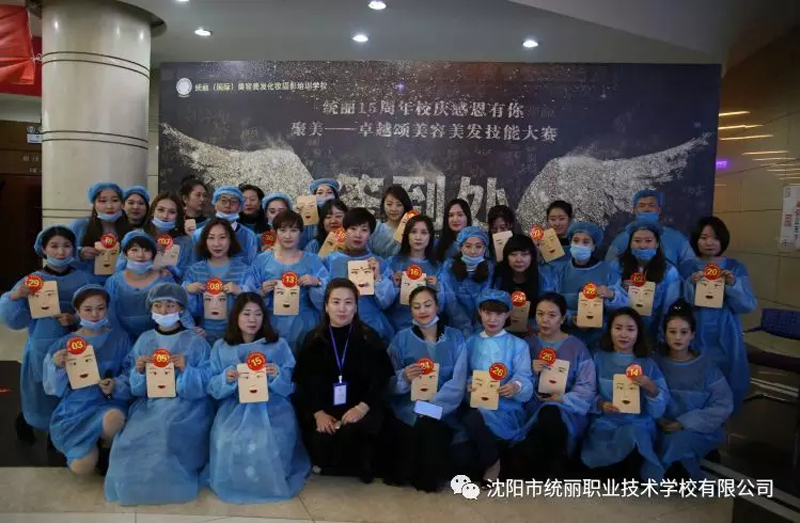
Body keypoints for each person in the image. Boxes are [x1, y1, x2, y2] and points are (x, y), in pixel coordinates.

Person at [104, 283, 213, 505]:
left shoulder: (196, 341)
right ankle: (135, 484)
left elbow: (208, 378)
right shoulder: (144, 340)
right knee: (131, 437)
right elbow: (134, 385)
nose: (163, 311)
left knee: (166, 430)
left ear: (181, 308)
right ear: (151, 308)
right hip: (150, 403)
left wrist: (187, 369)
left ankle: (167, 486)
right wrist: (139, 371)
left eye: (170, 305)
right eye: (158, 305)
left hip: (187, 404)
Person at [206, 293, 310, 503]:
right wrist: (226, 379)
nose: (252, 320)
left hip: (273, 406)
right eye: (246, 314)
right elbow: (212, 386)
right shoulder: (221, 347)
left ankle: (267, 481)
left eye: (258, 314)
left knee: (271, 438)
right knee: (227, 438)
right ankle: (237, 481)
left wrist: (277, 374)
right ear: (236, 316)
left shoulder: (278, 345)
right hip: (234, 408)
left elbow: (291, 384)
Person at [292, 278, 394, 483]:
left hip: (359, 407)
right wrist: (318, 413)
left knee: (360, 432)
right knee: (320, 439)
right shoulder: (314, 338)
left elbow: (381, 379)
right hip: (325, 410)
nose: (342, 308)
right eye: (336, 302)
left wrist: (362, 408)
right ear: (326, 306)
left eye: (348, 303)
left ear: (356, 307)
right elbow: (303, 383)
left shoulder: (368, 337)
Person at [0, 226, 91, 442]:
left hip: (74, 345)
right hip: (42, 344)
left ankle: (59, 434)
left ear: (74, 248)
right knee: (40, 393)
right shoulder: (32, 280)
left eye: (67, 246)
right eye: (54, 246)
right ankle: (27, 421)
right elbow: (15, 321)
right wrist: (14, 296)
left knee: (69, 389)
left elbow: (97, 309)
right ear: (43, 249)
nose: (60, 252)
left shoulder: (84, 279)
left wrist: (75, 318)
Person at [385, 286, 467, 491]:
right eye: (416, 306)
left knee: (430, 431)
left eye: (427, 305)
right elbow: (387, 381)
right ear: (410, 310)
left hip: (443, 411)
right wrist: (404, 377)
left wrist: (432, 407)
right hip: (408, 408)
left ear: (437, 306)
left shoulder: (456, 338)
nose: (422, 311)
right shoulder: (401, 339)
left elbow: (458, 382)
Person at [43, 285, 131, 475]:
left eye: (100, 308)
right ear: (77, 311)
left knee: (113, 421)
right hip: (77, 406)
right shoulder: (63, 344)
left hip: (109, 403)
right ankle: (86, 445)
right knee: (82, 467)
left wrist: (116, 385)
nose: (95, 315)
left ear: (108, 308)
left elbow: (130, 372)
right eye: (88, 309)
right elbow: (52, 388)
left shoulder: (121, 339)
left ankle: (107, 445)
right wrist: (56, 366)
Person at [513, 293, 595, 479]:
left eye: (552, 315)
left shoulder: (577, 347)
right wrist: (529, 371)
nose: (545, 320)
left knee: (551, 414)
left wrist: (563, 398)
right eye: (540, 314)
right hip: (531, 405)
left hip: (566, 409)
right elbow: (515, 381)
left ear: (563, 318)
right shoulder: (526, 344)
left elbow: (587, 386)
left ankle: (556, 466)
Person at [581, 308, 669, 481]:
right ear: (610, 330)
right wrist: (601, 404)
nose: (623, 334)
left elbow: (658, 409)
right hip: (605, 422)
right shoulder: (598, 359)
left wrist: (651, 388)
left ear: (638, 333)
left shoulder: (648, 364)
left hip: (638, 423)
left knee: (634, 437)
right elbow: (586, 392)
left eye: (630, 329)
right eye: (618, 328)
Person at [456, 290, 533, 487]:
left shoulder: (518, 345)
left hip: (506, 408)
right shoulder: (470, 343)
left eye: (498, 314)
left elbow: (524, 376)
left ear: (507, 314)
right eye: (487, 313)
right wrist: (468, 386)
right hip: (477, 404)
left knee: (474, 423)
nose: (492, 319)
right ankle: (494, 458)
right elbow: (462, 375)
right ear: (480, 312)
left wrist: (515, 386)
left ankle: (493, 464)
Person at [679, 216, 755, 411]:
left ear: (723, 240)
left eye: (715, 238)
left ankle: (722, 416)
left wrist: (733, 284)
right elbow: (677, 302)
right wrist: (691, 284)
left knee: (728, 376)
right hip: (694, 328)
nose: (709, 243)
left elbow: (747, 305)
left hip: (726, 330)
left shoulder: (735, 267)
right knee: (694, 375)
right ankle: (695, 417)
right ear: (696, 240)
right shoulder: (687, 267)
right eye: (704, 238)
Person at [655, 300, 733, 480]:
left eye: (684, 332)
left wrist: (683, 423)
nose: (678, 338)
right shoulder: (655, 364)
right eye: (672, 332)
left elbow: (722, 405)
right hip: (661, 427)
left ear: (692, 335)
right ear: (664, 334)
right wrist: (658, 419)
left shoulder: (707, 367)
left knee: (678, 442)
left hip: (695, 429)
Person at [244, 210, 328, 353]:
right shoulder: (262, 260)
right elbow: (247, 292)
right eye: (282, 230)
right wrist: (261, 291)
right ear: (275, 232)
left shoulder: (312, 260)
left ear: (301, 233)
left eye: (293, 230)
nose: (288, 236)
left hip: (305, 323)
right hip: (271, 323)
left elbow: (330, 291)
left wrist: (317, 282)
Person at [322, 208, 396, 343]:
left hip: (371, 328)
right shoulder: (330, 261)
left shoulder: (379, 262)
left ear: (370, 234)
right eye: (353, 228)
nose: (358, 234)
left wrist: (377, 277)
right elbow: (321, 299)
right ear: (344, 230)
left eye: (364, 230)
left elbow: (386, 302)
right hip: (337, 328)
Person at [608, 219, 681, 345]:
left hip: (652, 332)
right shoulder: (617, 266)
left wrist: (662, 337)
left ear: (657, 243)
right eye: (637, 241)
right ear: (630, 244)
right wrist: (621, 291)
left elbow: (669, 307)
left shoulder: (669, 271)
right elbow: (608, 300)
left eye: (648, 241)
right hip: (622, 332)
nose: (642, 246)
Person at [557, 222, 626, 350]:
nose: (580, 245)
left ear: (594, 246)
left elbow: (623, 306)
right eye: (576, 241)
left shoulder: (608, 272)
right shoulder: (560, 271)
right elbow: (551, 303)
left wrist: (611, 295)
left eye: (586, 242)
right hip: (566, 335)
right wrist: (570, 318)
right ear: (570, 243)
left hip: (600, 337)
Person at [183, 218, 249, 344]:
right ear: (204, 241)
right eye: (211, 238)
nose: (216, 243)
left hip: (236, 339)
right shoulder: (195, 271)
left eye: (222, 237)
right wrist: (187, 290)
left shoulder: (244, 271)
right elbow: (181, 308)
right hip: (202, 338)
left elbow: (254, 306)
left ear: (231, 240)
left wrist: (241, 292)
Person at [105, 231, 177, 338]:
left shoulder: (164, 278)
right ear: (125, 254)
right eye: (134, 250)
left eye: (146, 250)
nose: (141, 255)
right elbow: (109, 313)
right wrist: (120, 337)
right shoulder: (114, 281)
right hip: (122, 336)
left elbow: (177, 306)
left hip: (159, 335)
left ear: (153, 254)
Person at [606, 189, 694, 267]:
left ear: (658, 210)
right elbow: (609, 268)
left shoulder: (677, 238)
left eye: (651, 205)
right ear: (634, 210)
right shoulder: (620, 240)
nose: (646, 209)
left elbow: (690, 266)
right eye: (641, 206)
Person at [492, 234, 558, 335]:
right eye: (513, 254)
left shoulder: (544, 277)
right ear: (506, 257)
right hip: (502, 330)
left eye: (524, 254)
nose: (519, 259)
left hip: (537, 331)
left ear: (532, 257)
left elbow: (552, 308)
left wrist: (535, 327)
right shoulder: (498, 276)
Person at [387, 215, 443, 332]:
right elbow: (384, 302)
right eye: (413, 232)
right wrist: (393, 285)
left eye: (424, 233)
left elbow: (442, 307)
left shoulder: (437, 267)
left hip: (427, 329)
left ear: (430, 236)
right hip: (396, 327)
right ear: (407, 235)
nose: (418, 237)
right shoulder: (393, 262)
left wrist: (437, 288)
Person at [70, 182, 133, 283]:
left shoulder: (129, 229)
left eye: (115, 200)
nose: (109, 206)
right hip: (86, 283)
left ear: (122, 204)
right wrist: (80, 253)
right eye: (102, 201)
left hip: (119, 282)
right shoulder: (81, 225)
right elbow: (63, 251)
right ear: (94, 204)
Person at [440, 226, 494, 337]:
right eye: (468, 246)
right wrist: (464, 324)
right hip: (454, 325)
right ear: (460, 247)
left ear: (485, 249)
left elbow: (487, 298)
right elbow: (450, 299)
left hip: (483, 324)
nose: (473, 251)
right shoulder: (449, 266)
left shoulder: (490, 268)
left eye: (478, 246)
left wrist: (479, 324)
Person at [194, 186, 259, 265]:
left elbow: (252, 266)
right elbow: (193, 265)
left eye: (233, 201)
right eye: (223, 201)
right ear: (215, 205)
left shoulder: (249, 236)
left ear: (240, 207)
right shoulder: (198, 234)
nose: (228, 205)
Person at [143, 192, 195, 281]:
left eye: (172, 212)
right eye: (160, 210)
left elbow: (190, 276)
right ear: (152, 212)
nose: (165, 216)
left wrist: (172, 271)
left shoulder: (186, 243)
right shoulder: (138, 237)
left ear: (178, 217)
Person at [370, 184, 413, 259]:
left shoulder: (412, 231)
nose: (393, 209)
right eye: (389, 204)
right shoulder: (375, 229)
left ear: (405, 206)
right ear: (383, 205)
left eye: (399, 205)